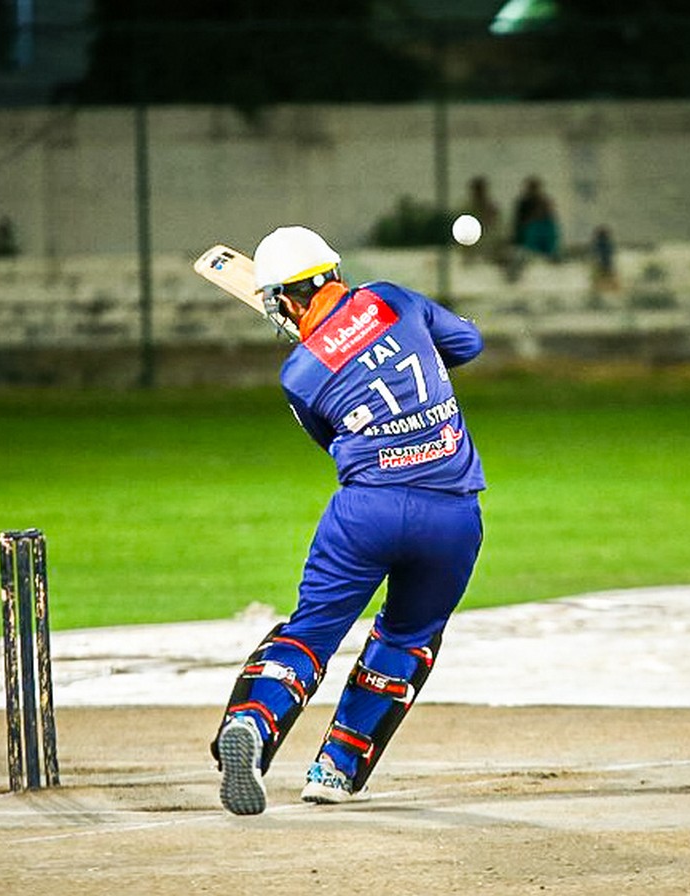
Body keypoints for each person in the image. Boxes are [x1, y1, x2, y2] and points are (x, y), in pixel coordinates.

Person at [210, 225, 487, 815]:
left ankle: (254, 725)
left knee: (311, 633)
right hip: (452, 515)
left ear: (286, 303)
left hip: (367, 515)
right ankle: (336, 769)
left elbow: (332, 439)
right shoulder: (394, 299)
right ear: (333, 271)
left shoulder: (300, 374)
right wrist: (407, 346)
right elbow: (468, 344)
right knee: (408, 637)